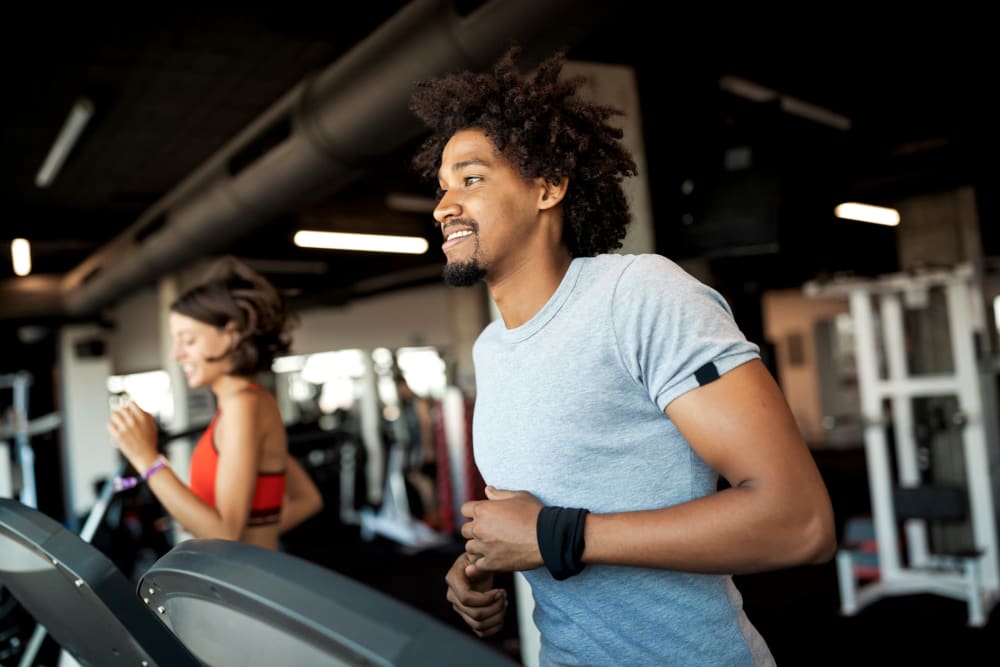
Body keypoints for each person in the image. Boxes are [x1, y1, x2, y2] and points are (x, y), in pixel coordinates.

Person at [408, 46, 836, 666]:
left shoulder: (637, 295)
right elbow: (530, 519)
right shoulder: (493, 347)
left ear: (548, 187)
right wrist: (483, 562)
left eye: (470, 179)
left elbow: (798, 522)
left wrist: (554, 537)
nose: (444, 206)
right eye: (442, 187)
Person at [108, 256, 323, 552]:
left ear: (230, 335)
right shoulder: (253, 402)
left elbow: (225, 533)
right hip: (250, 570)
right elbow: (307, 499)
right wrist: (248, 532)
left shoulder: (242, 406)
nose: (177, 354)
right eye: (176, 341)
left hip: (243, 583)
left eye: (188, 340)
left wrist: (147, 459)